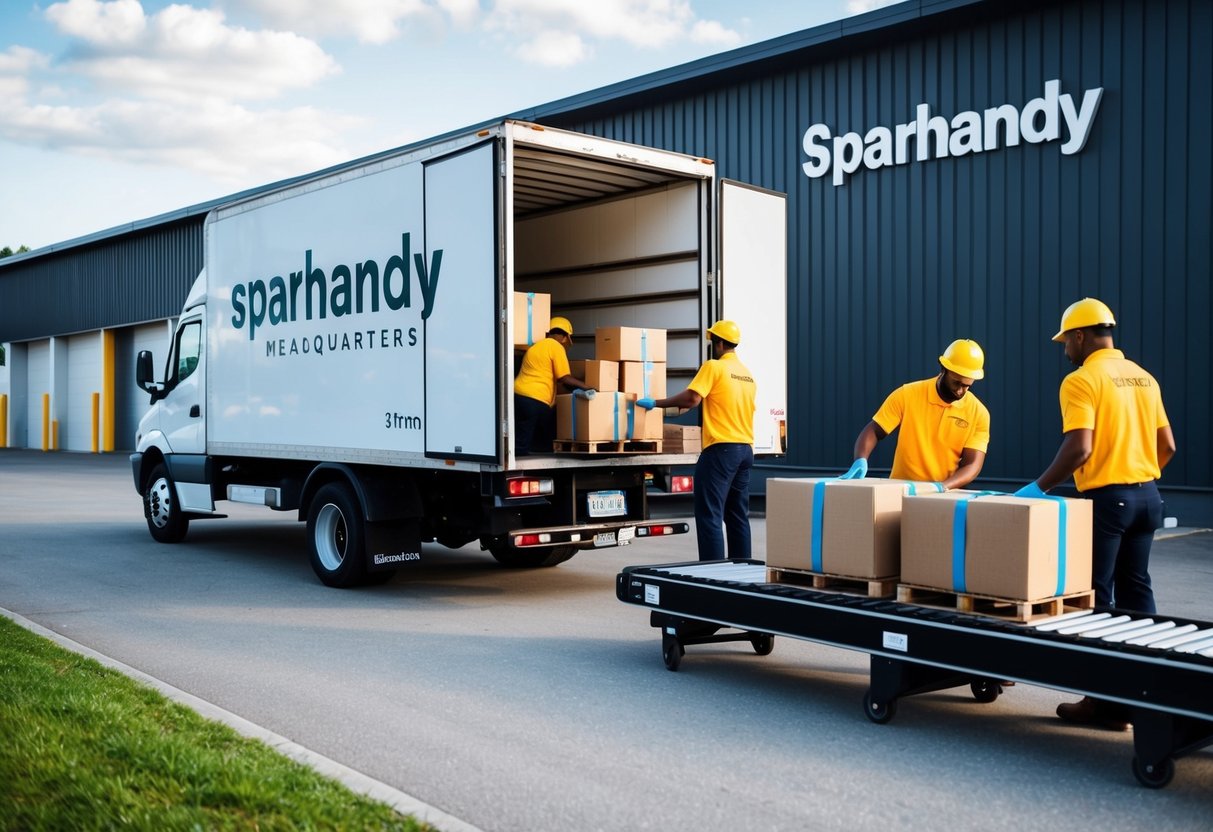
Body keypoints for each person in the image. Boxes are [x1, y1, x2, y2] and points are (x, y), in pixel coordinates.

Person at [1013, 298, 1175, 731]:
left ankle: (1104, 704)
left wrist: (1039, 486)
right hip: (1149, 498)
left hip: (1109, 502)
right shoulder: (1144, 378)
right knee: (1138, 595)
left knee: (1097, 598)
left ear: (1081, 336)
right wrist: (1141, 475)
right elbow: (1169, 446)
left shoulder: (1082, 380)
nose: (1065, 349)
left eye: (1066, 341)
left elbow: (1080, 448)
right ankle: (1149, 691)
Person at [637, 320, 756, 561]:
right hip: (745, 450)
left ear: (719, 343)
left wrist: (657, 403)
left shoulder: (714, 367)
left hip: (721, 450)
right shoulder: (746, 374)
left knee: (710, 513)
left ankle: (712, 572)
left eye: (713, 341)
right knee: (737, 514)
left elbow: (692, 399)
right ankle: (743, 569)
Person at [841, 339, 991, 490]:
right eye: (956, 383)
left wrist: (940, 487)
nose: (960, 391)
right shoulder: (908, 395)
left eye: (967, 386)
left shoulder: (979, 413)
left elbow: (972, 465)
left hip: (944, 496)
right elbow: (874, 431)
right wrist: (860, 459)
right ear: (943, 369)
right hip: (900, 492)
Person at [513, 316, 595, 455]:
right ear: (564, 338)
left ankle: (520, 456)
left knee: (523, 435)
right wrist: (588, 388)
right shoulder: (556, 347)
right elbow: (564, 378)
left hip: (518, 395)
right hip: (536, 398)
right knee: (549, 432)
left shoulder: (536, 346)